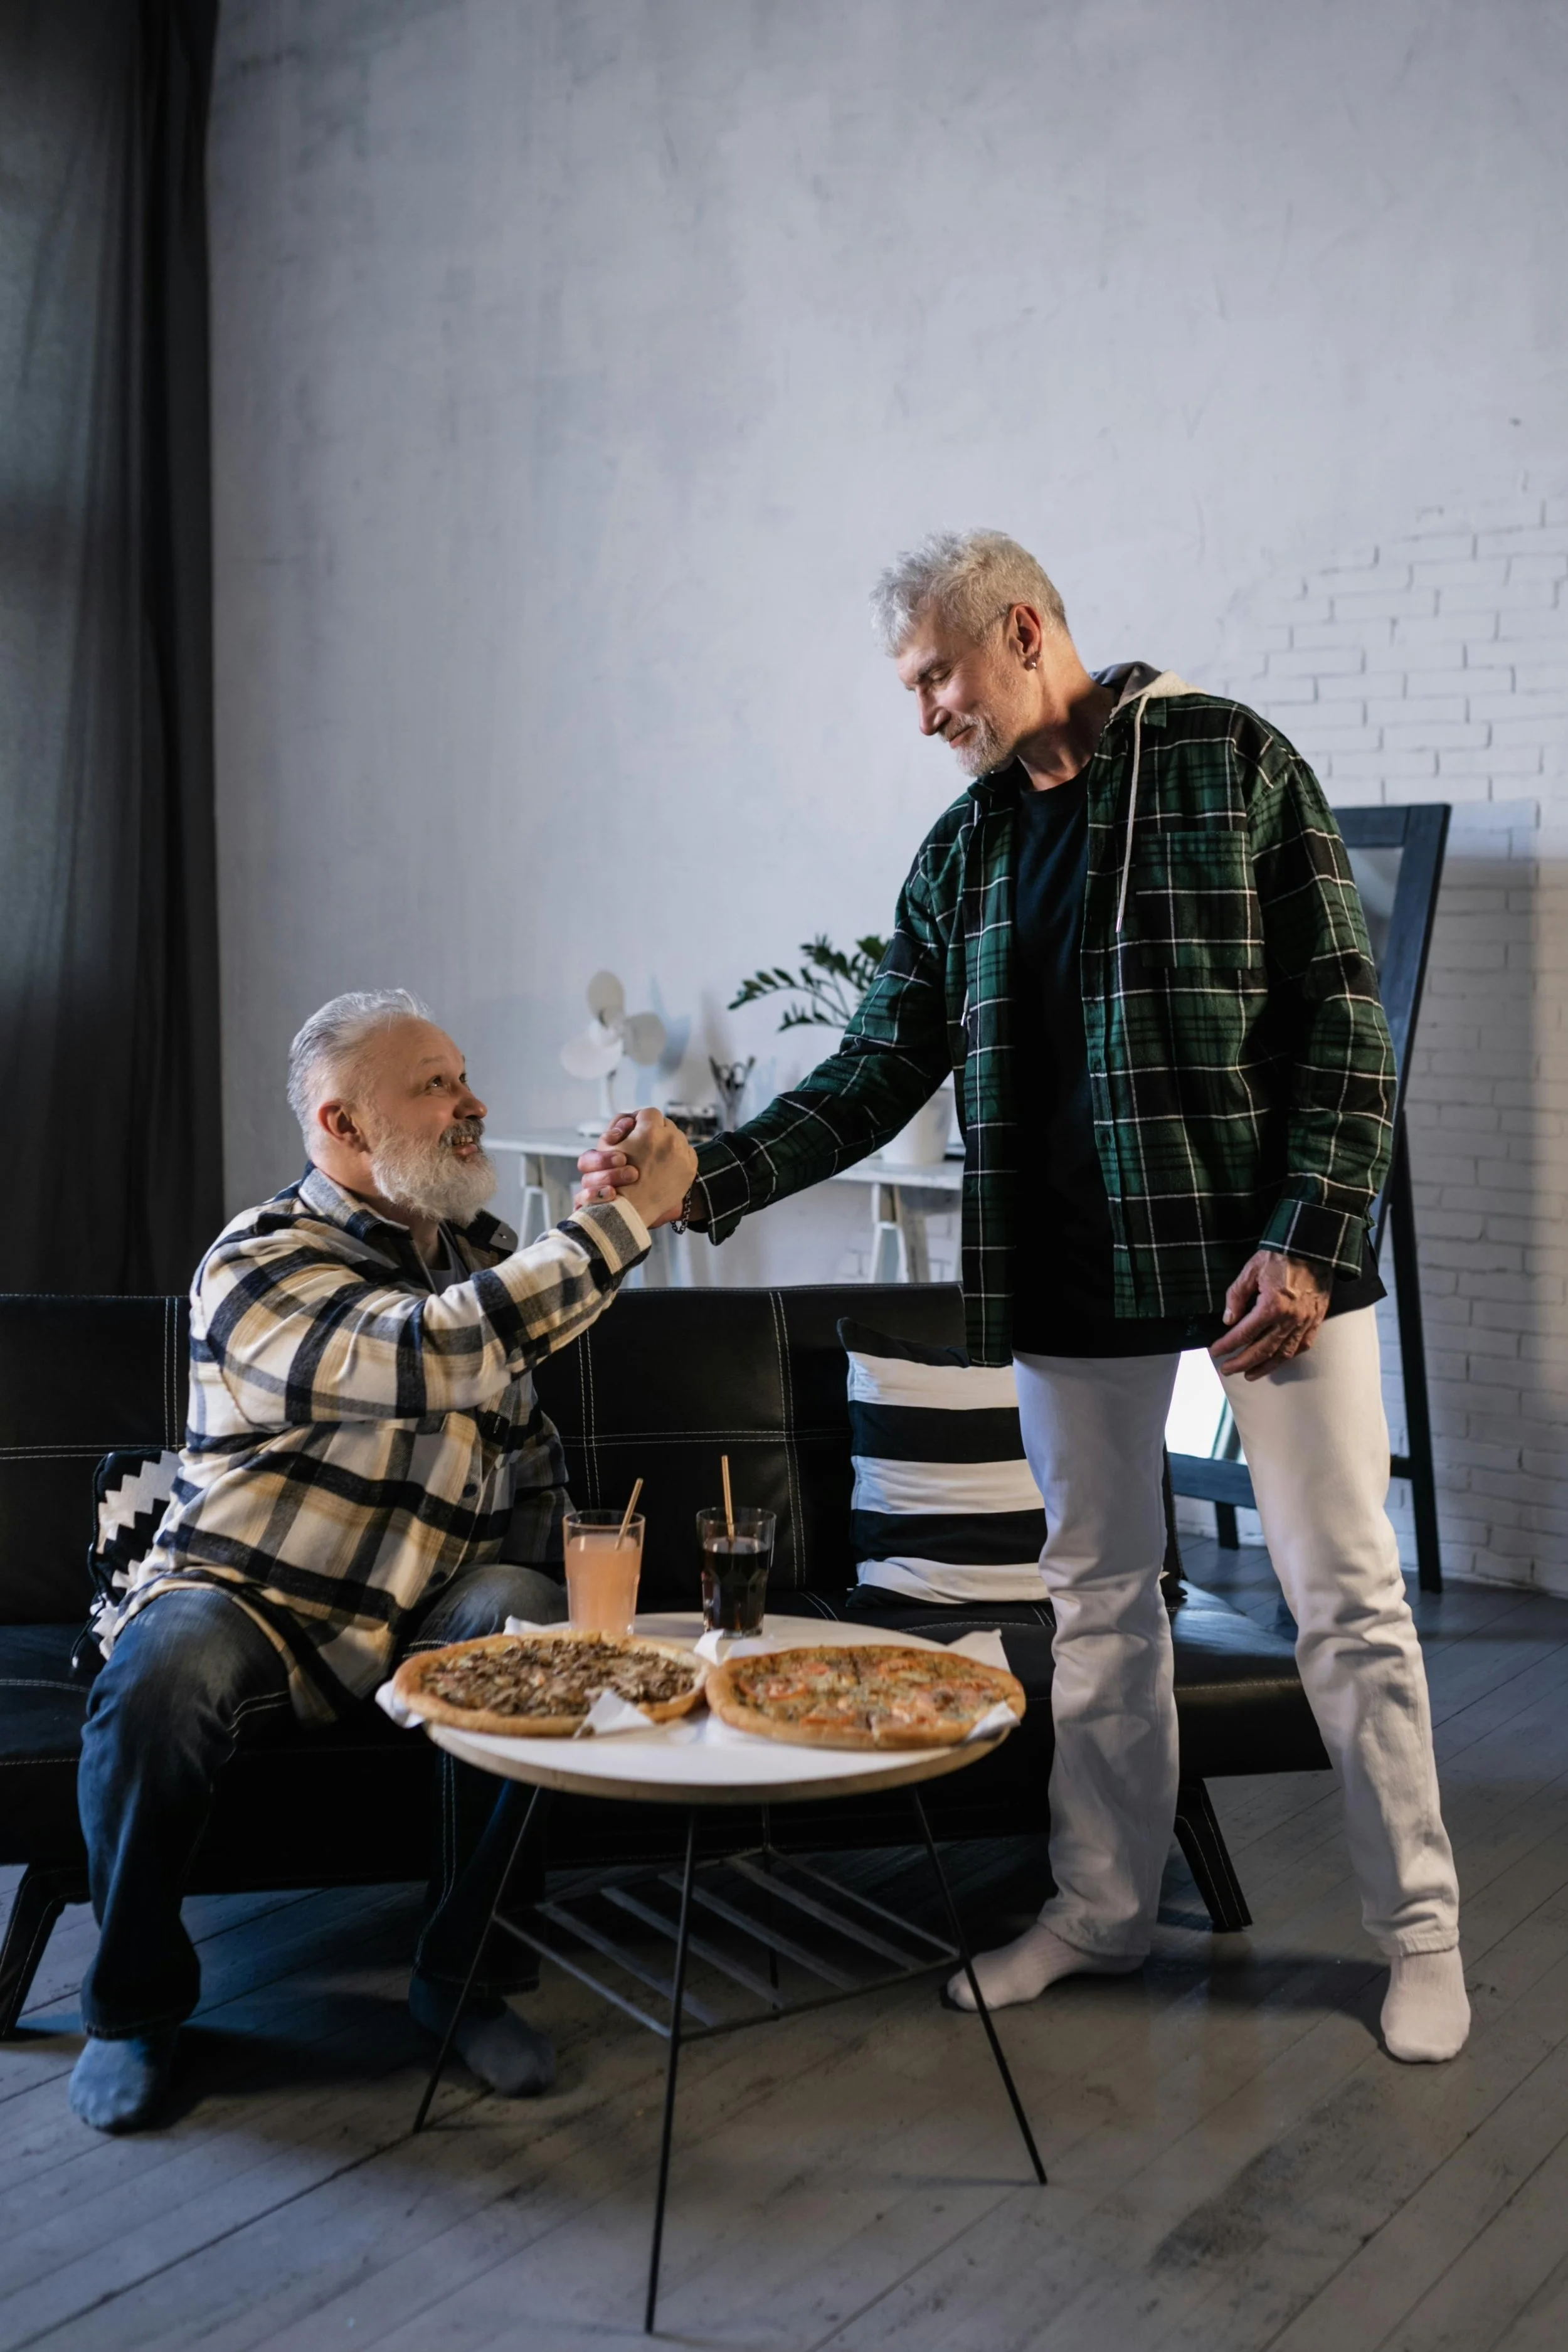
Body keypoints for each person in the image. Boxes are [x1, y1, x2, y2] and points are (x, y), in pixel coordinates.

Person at [578, 530, 1468, 2065]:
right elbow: (872, 1069)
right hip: (1060, 1274)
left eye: (934, 674)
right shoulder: (963, 849)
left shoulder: (1231, 761)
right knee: (1097, 1610)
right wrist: (697, 1177)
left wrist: (1312, 1235)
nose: (924, 710)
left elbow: (1343, 1015)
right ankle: (1100, 1910)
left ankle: (1422, 1935)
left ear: (1021, 631)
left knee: (1345, 1603)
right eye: (909, 687)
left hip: (1265, 1273)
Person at [70, 988, 696, 2132]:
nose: (473, 1103)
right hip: (252, 1591)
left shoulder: (482, 1256)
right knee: (164, 1675)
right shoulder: (258, 1259)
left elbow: (519, 1441)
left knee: (526, 1618)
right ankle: (133, 2009)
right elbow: (434, 1350)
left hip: (427, 1603)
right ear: (343, 1124)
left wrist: (585, 1629)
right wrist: (622, 1223)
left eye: (464, 1075)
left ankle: (464, 1975)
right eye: (436, 1085)